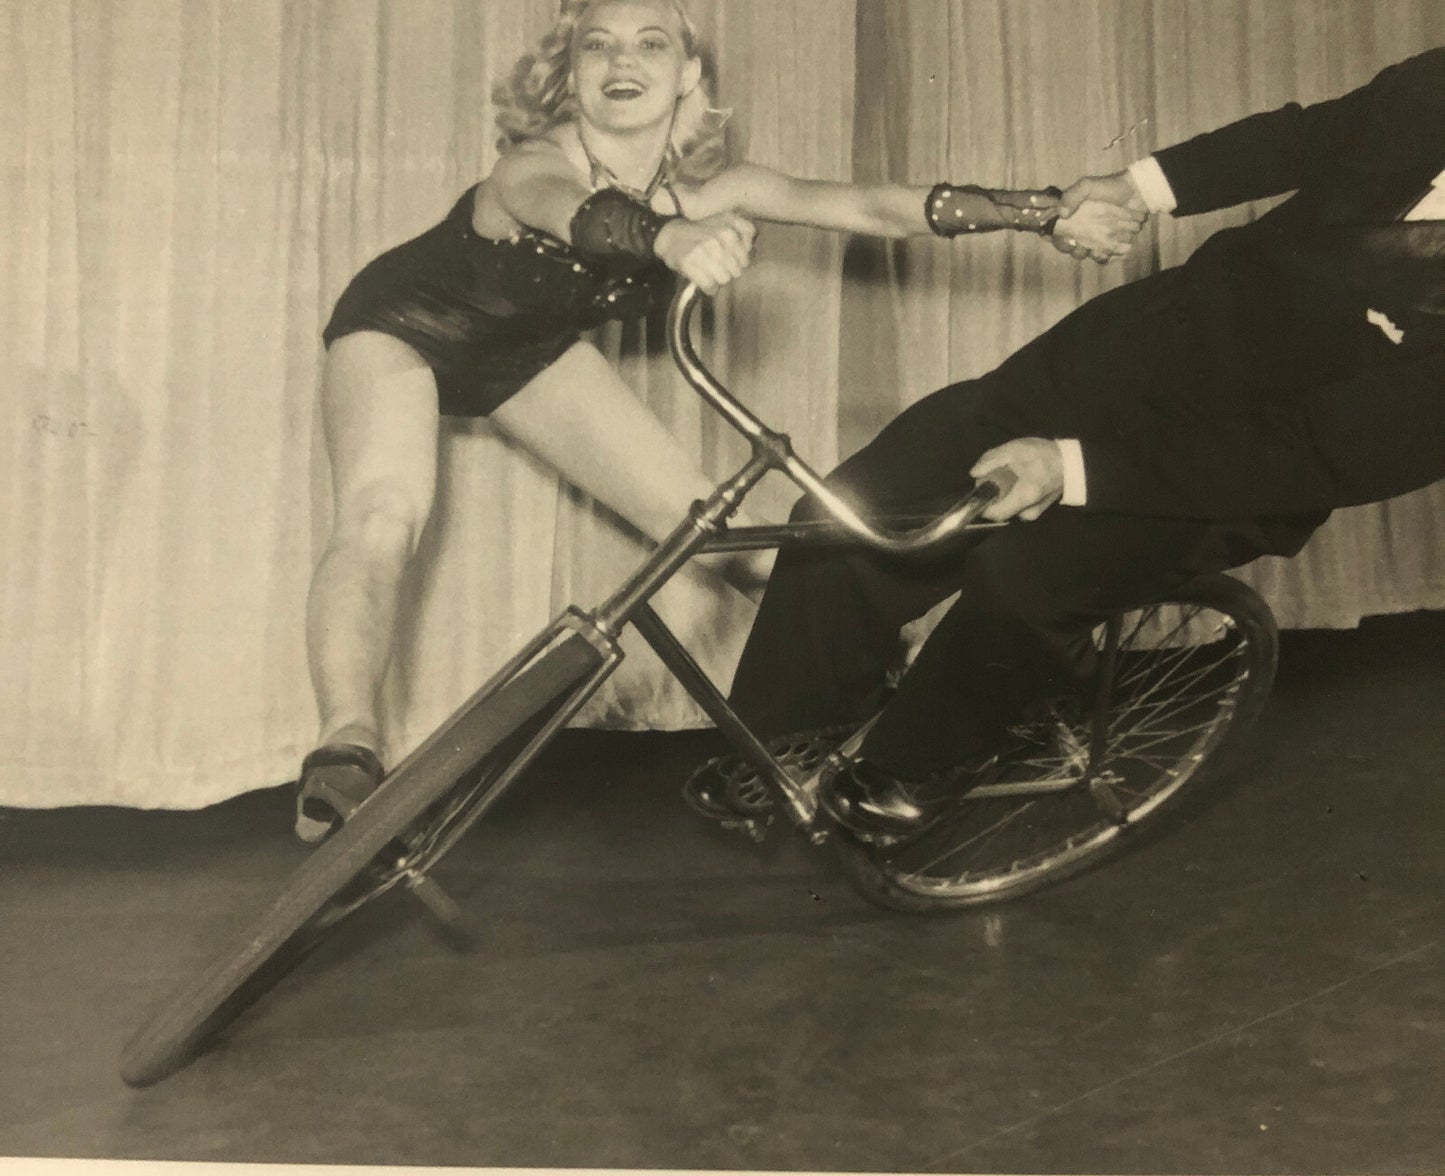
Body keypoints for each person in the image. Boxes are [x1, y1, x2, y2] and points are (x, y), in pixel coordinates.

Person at [296, 0, 1139, 843]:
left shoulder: (715, 188)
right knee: (382, 513)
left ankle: (919, 686)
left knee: (721, 533)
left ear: (688, 75)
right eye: (598, 45)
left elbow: (876, 207)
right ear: (571, 71)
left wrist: (1045, 209)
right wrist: (670, 240)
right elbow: (573, 211)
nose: (622, 62)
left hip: (526, 355)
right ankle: (347, 753)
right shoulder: (533, 163)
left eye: (651, 43)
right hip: (403, 322)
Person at [695, 46, 1445, 842]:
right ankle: (784, 732)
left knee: (1025, 575)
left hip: (1237, 469)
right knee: (871, 493)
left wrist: (1070, 468)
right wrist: (1137, 187)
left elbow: (1308, 451)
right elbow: (1305, 136)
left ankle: (921, 760)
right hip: (1165, 337)